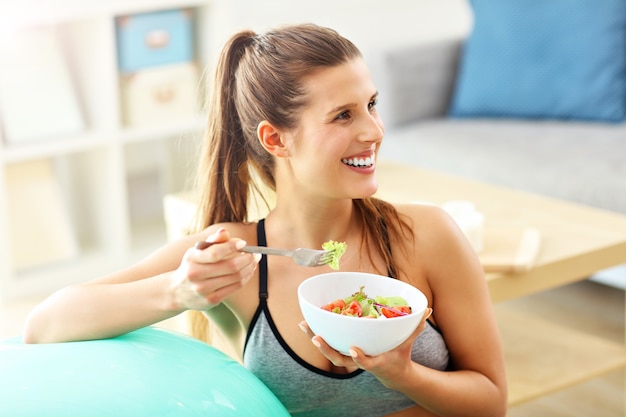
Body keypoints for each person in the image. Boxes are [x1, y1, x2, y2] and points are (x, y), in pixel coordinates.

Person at [24, 23, 507, 416]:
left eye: (372, 105)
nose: (374, 131)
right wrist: (178, 292)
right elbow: (45, 325)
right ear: (276, 140)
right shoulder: (233, 255)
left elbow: (491, 402)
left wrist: (403, 373)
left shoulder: (427, 234)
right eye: (343, 116)